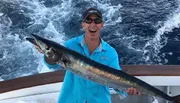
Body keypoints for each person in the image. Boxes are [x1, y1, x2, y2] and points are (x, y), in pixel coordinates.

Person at [35, 8, 140, 103]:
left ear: (102, 24)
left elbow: (116, 82)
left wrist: (128, 89)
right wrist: (47, 54)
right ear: (83, 25)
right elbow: (52, 65)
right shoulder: (70, 45)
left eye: (97, 21)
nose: (93, 24)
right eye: (88, 21)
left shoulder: (110, 52)